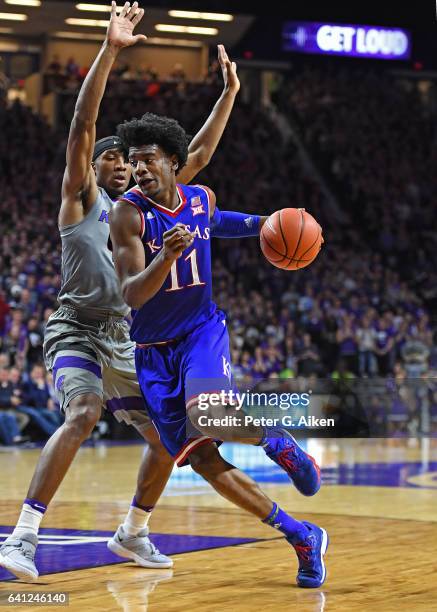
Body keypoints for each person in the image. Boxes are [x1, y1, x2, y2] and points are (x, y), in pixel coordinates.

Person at [0, 1, 242, 582]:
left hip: (129, 335)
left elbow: (200, 153)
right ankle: (23, 538)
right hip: (76, 329)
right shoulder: (82, 201)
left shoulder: (141, 211)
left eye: (126, 162)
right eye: (108, 158)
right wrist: (110, 48)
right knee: (82, 413)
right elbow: (83, 125)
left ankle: (133, 531)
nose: (119, 166)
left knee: (171, 439)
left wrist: (229, 92)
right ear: (95, 167)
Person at [108, 113, 328, 588]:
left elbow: (215, 222)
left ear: (172, 161)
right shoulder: (127, 214)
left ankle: (276, 442)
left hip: (201, 333)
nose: (139, 169)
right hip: (152, 352)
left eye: (147, 160)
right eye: (133, 162)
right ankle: (301, 535)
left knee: (208, 414)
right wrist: (165, 256)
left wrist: (262, 224)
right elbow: (131, 294)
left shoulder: (199, 197)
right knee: (204, 460)